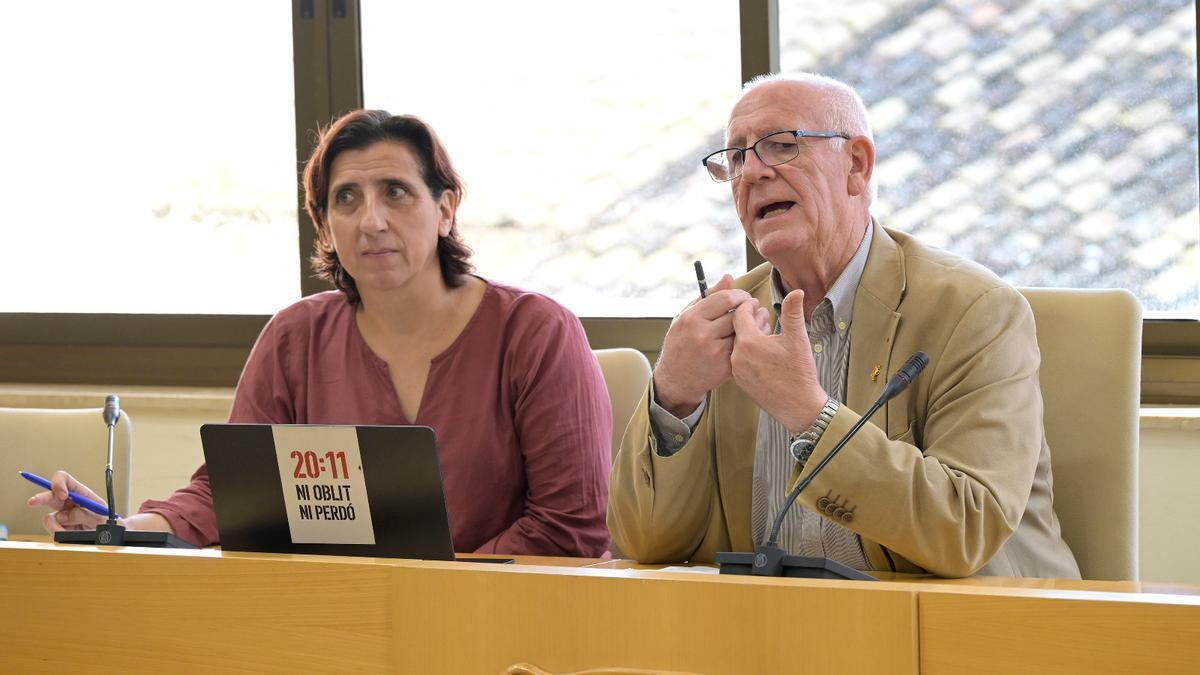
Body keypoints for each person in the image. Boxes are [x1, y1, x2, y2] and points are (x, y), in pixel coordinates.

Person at [30, 110, 613, 557]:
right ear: (325, 225)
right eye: (346, 199)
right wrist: (120, 529)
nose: (371, 221)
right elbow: (225, 497)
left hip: (503, 626)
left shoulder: (537, 332)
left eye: (396, 191)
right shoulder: (295, 337)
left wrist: (429, 594)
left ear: (445, 209)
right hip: (338, 618)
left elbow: (569, 527)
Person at [608, 72, 1080, 578]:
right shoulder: (723, 323)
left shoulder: (975, 311)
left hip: (957, 622)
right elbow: (643, 544)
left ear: (857, 164)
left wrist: (809, 413)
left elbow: (965, 529)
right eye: (738, 157)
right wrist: (674, 395)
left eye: (781, 145)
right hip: (771, 623)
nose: (753, 173)